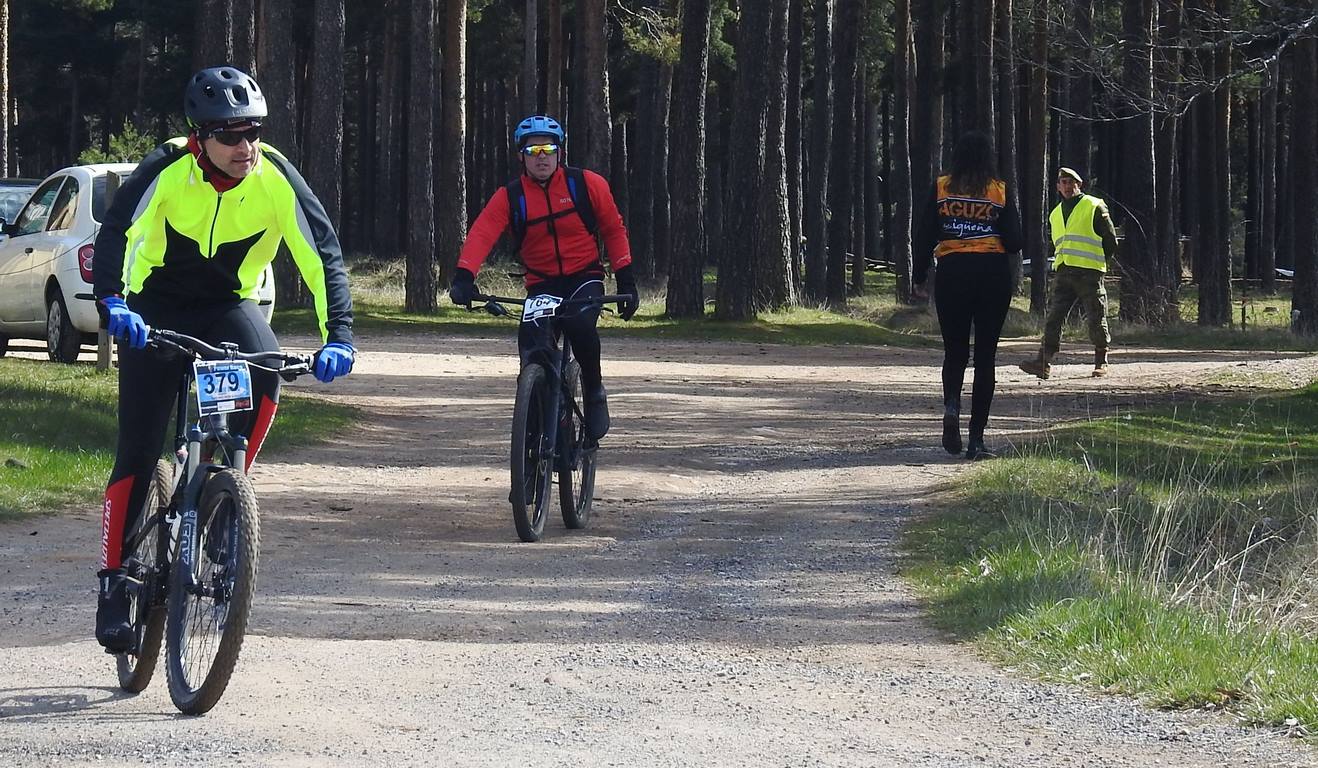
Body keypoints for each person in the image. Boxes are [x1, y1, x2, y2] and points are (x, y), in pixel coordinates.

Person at [92, 66, 356, 652]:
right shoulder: (165, 167)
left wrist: (339, 334)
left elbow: (323, 255)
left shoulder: (275, 175)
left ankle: (225, 491)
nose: (247, 148)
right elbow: (116, 231)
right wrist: (114, 302)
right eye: (231, 136)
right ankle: (114, 584)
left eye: (254, 132)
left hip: (224, 305)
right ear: (200, 138)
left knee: (265, 372)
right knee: (138, 447)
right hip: (155, 308)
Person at [449, 114, 636, 441]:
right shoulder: (511, 197)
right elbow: (481, 234)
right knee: (533, 349)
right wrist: (464, 276)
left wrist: (626, 280)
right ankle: (537, 430)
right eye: (533, 151)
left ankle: (594, 391)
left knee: (580, 327)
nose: (542, 157)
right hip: (542, 284)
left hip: (584, 277)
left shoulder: (586, 184)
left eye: (548, 148)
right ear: (521, 156)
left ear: (559, 152)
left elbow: (613, 229)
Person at [913, 131, 1023, 461]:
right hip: (992, 274)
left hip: (953, 272)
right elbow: (1015, 242)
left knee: (955, 352)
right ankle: (976, 440)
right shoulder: (998, 190)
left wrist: (919, 276)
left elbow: (923, 235)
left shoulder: (942, 187)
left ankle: (951, 406)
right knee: (985, 356)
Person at [1018, 166, 1118, 380]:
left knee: (1096, 316)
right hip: (1064, 273)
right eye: (1063, 182)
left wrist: (1100, 263)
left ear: (1079, 184)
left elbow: (1110, 240)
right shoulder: (1055, 214)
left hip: (1089, 272)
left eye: (1071, 182)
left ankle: (1101, 360)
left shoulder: (1094, 205)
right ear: (1057, 186)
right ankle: (1043, 362)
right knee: (1054, 317)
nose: (1067, 186)